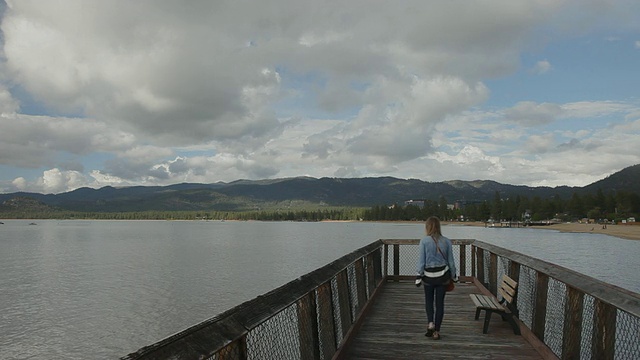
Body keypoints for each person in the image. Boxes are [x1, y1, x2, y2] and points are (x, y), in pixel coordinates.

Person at [415, 216, 458, 340]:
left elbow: (421, 262)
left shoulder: (424, 241)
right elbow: (451, 262)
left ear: (427, 227)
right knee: (440, 304)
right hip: (442, 277)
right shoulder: (447, 241)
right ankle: (437, 331)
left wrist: (419, 275)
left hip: (428, 277)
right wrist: (454, 276)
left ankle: (430, 323)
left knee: (428, 301)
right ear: (439, 226)